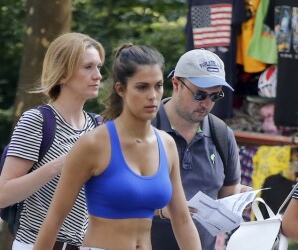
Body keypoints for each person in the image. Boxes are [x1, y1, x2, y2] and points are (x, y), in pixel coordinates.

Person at [33, 43, 202, 250]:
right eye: (142, 87)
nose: (153, 96)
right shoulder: (93, 144)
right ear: (120, 89)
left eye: (158, 85)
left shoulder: (166, 144)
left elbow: (182, 220)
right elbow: (54, 220)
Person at [0, 32, 105, 250]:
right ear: (62, 74)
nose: (98, 75)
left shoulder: (98, 126)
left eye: (99, 67)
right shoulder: (38, 121)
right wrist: (59, 165)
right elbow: (3, 194)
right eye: (88, 67)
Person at [151, 49, 252, 250]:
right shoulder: (145, 128)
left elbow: (227, 191)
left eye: (216, 96)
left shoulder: (221, 133)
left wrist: (240, 196)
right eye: (199, 94)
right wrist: (163, 211)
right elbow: (114, 196)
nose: (206, 103)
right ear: (176, 84)